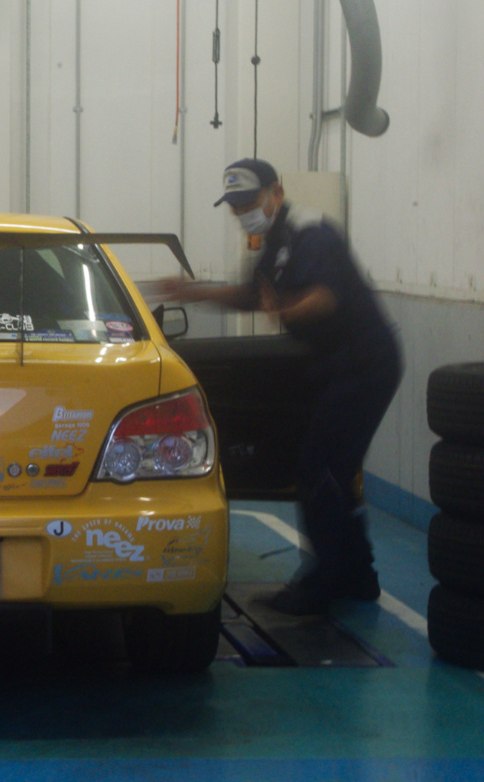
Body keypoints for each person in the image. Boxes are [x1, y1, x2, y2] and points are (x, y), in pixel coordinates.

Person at [163, 158, 403, 616]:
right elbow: (252, 294)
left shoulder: (311, 232)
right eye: (235, 206)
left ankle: (322, 583)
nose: (242, 213)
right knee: (333, 469)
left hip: (364, 365)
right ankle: (357, 575)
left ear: (276, 192)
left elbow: (324, 297)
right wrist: (194, 292)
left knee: (318, 469)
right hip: (337, 364)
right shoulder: (274, 241)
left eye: (248, 202)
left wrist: (284, 310)